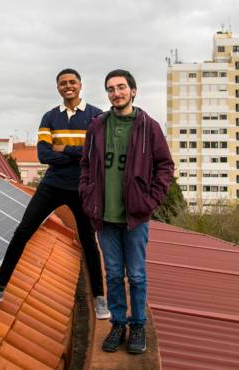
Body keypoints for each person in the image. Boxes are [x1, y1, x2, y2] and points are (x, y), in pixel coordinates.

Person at [0, 68, 110, 320]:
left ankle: (100, 298)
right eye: (62, 83)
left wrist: (64, 148)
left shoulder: (96, 117)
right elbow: (44, 155)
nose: (67, 86)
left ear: (80, 85)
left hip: (82, 188)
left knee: (89, 242)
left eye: (72, 82)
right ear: (58, 87)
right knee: (22, 232)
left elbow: (96, 154)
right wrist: (77, 151)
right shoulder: (49, 117)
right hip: (52, 185)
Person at [79, 69, 174, 353]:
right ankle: (118, 323)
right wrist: (87, 195)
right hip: (104, 217)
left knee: (136, 275)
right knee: (112, 275)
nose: (116, 93)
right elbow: (85, 165)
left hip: (135, 217)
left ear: (133, 91)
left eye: (121, 87)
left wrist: (150, 201)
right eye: (110, 89)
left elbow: (165, 166)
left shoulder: (149, 126)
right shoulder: (97, 126)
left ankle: (138, 325)